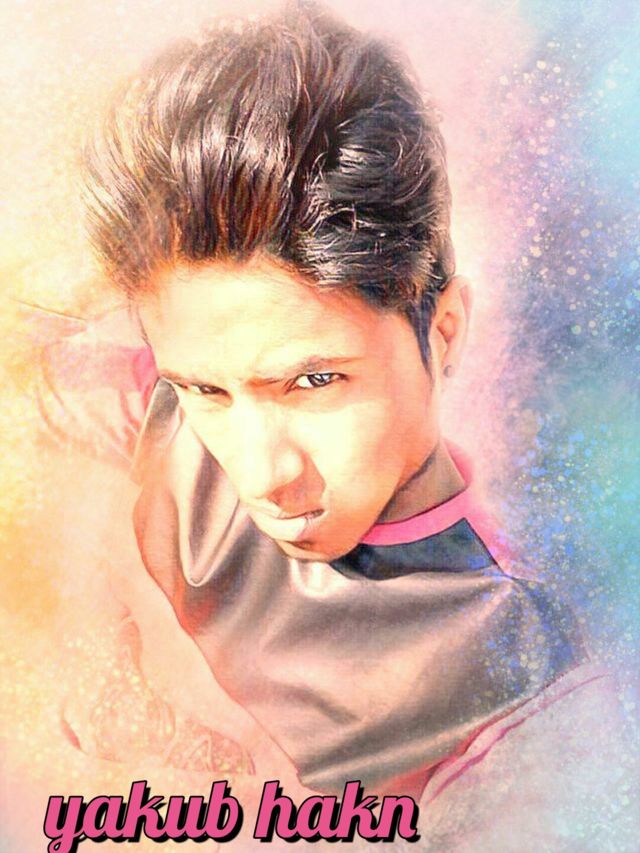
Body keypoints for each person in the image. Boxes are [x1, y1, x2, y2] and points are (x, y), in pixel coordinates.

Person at [34, 2, 634, 846]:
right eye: (205, 389)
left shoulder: (521, 683)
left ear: (443, 332)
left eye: (314, 381)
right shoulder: (165, 410)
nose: (262, 475)